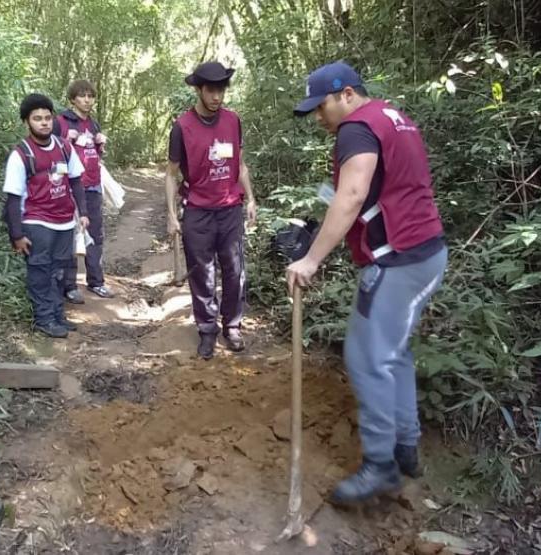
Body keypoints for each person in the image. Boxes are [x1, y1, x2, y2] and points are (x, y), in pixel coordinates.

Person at [288, 61, 448, 504]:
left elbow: (354, 195)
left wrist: (310, 259)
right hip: (428, 251)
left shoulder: (355, 128)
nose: (319, 118)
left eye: (320, 107)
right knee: (393, 352)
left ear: (344, 94)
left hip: (398, 260)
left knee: (366, 357)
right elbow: (379, 190)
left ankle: (380, 467)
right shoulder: (394, 118)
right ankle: (406, 447)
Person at [166, 61, 257, 360]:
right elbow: (171, 174)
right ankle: (207, 329)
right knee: (201, 272)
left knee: (234, 270)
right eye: (211, 90)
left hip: (230, 208)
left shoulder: (233, 121)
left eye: (221, 90)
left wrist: (251, 198)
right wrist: (170, 214)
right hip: (198, 211)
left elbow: (240, 164)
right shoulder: (182, 127)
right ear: (199, 90)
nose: (217, 96)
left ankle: (232, 325)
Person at [3, 93, 90, 338]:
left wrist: (82, 213)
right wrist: (16, 234)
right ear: (26, 122)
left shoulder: (64, 146)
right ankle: (44, 319)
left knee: (60, 271)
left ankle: (57, 314)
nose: (44, 123)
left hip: (64, 221)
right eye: (37, 118)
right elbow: (12, 197)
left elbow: (75, 181)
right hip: (36, 221)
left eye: (47, 118)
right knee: (40, 270)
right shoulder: (21, 154)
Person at [54, 79, 114, 302]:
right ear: (72, 99)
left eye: (91, 96)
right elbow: (50, 153)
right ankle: (69, 285)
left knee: (96, 234)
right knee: (70, 234)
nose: (87, 100)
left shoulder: (93, 124)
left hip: (93, 184)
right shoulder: (61, 122)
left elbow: (95, 156)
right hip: (69, 187)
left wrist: (100, 145)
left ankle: (96, 282)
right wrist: (63, 140)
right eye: (82, 95)